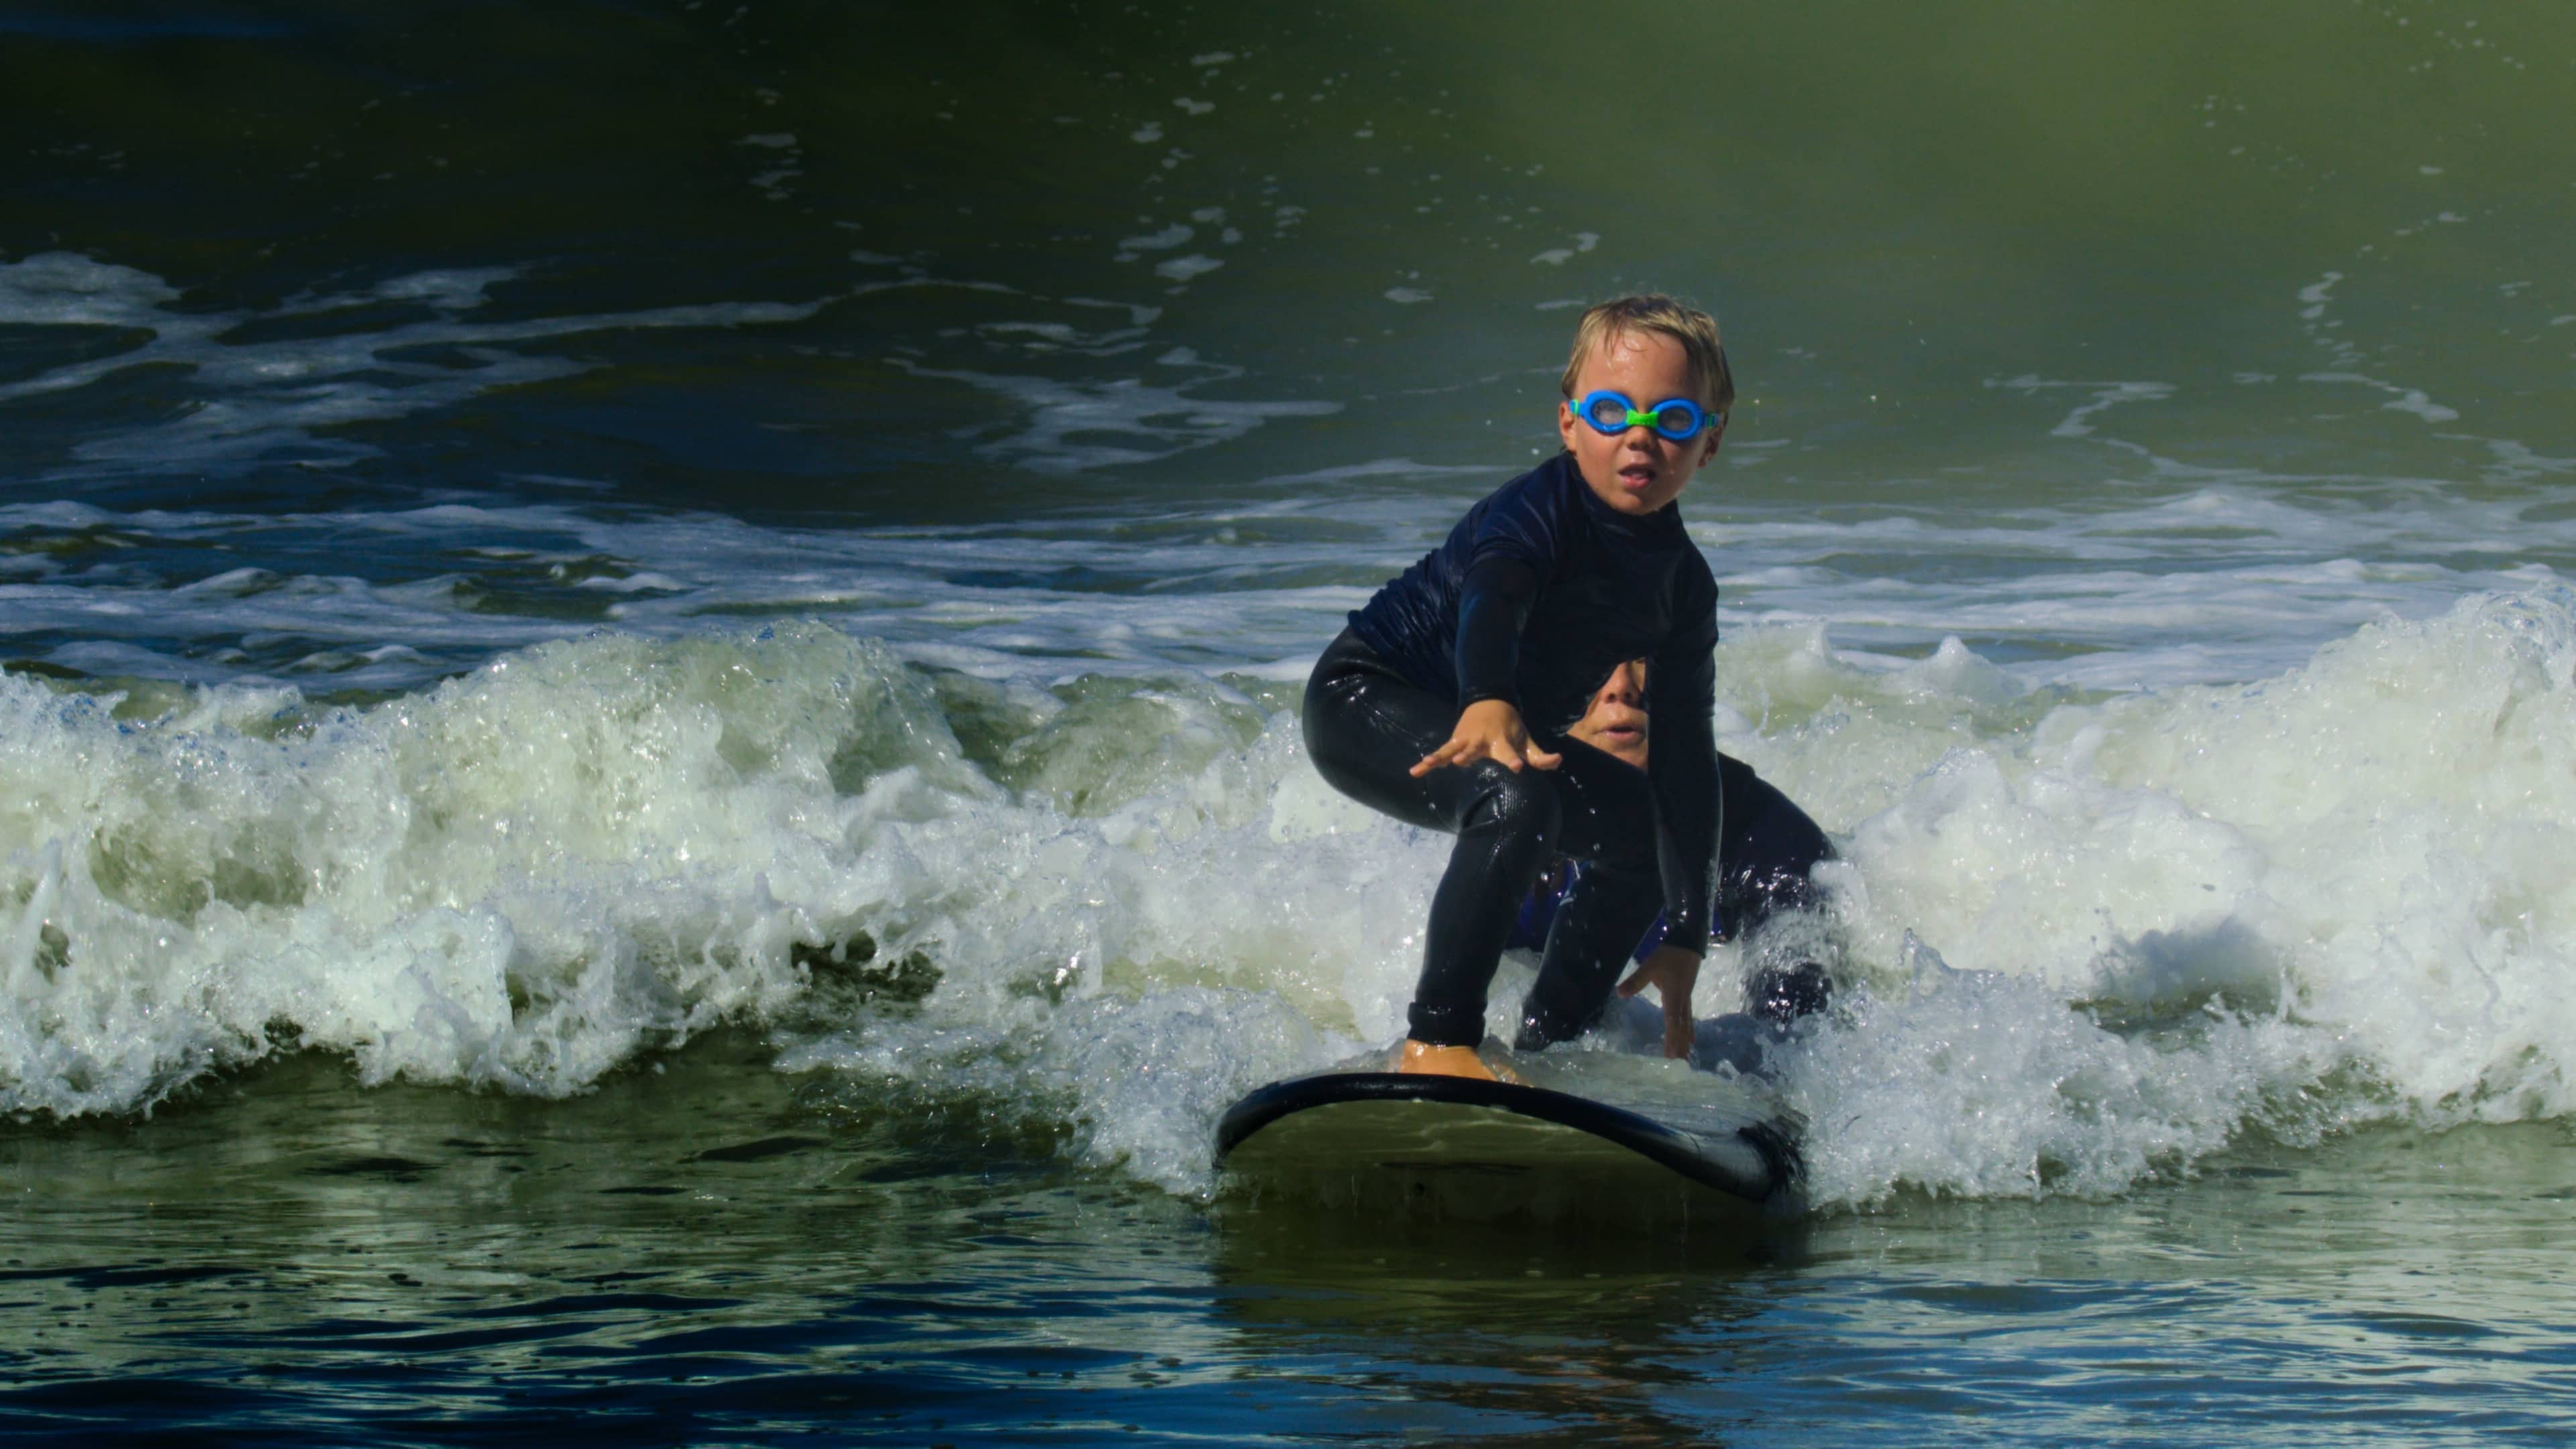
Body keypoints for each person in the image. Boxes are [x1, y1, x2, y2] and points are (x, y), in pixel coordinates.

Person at [1303, 294, 1727, 1079]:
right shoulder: (1539, 511)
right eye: (1611, 412)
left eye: (1671, 420)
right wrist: (1488, 696)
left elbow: (1686, 760)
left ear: (1709, 441)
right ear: (1569, 423)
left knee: (1634, 834)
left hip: (1489, 720)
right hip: (1363, 697)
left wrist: (1686, 934)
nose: (1639, 437)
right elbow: (1493, 595)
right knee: (1519, 798)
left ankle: (1553, 1049)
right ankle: (1437, 1042)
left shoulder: (1684, 588)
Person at [1505, 659, 1835, 1050]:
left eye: (1643, 659)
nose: (1620, 687)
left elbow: (1792, 1052)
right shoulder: (1521, 818)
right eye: (1599, 651)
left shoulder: (1778, 854)